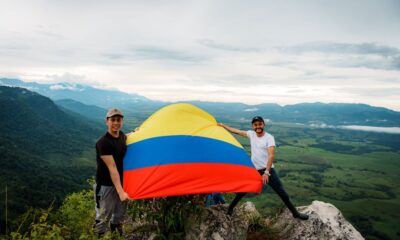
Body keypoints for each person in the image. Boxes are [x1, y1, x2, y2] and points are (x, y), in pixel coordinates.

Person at [218, 116, 308, 220]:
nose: (258, 126)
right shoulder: (251, 134)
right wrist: (224, 126)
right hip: (254, 170)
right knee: (242, 192)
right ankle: (230, 209)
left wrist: (266, 172)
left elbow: (271, 155)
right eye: (255, 125)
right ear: (253, 126)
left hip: (267, 170)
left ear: (263, 125)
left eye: (260, 124)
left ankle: (295, 213)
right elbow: (237, 131)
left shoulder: (269, 137)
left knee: (282, 192)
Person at [93, 108, 131, 235]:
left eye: (118, 120)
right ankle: (99, 236)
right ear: (106, 121)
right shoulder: (102, 143)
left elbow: (126, 138)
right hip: (106, 186)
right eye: (113, 120)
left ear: (122, 121)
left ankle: (116, 235)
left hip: (121, 183)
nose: (116, 123)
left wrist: (136, 133)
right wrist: (121, 192)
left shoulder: (122, 136)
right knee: (103, 217)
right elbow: (112, 169)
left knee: (119, 215)